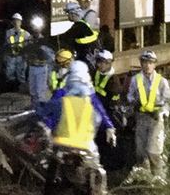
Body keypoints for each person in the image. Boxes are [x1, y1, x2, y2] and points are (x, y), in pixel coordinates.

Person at [40, 60, 115, 195]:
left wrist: (48, 130)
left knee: (52, 170)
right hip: (86, 146)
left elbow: (48, 116)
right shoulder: (89, 96)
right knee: (98, 173)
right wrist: (109, 128)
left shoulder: (61, 94)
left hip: (61, 144)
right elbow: (99, 115)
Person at [126, 49, 170, 177]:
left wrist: (162, 113)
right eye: (145, 62)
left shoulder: (162, 82)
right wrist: (135, 103)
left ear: (154, 64)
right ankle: (145, 179)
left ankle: (160, 178)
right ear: (141, 63)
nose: (147, 65)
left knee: (153, 152)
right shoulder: (136, 80)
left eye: (150, 63)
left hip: (156, 119)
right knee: (140, 152)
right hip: (141, 118)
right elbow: (130, 96)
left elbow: (168, 102)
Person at [92, 49, 126, 172]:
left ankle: (114, 167)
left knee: (110, 141)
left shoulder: (113, 80)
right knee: (98, 140)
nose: (100, 65)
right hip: (96, 112)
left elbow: (114, 101)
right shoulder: (96, 74)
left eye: (103, 63)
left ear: (108, 63)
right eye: (99, 62)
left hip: (109, 113)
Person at [24, 17, 56, 109]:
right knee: (32, 90)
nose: (35, 29)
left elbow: (51, 57)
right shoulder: (28, 40)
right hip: (32, 67)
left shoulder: (44, 41)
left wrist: (42, 50)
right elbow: (25, 52)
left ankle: (41, 110)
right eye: (34, 26)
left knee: (40, 91)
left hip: (41, 68)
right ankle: (34, 108)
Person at [4, 13, 31, 89]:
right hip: (11, 56)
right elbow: (6, 44)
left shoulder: (26, 34)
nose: (16, 23)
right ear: (12, 22)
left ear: (21, 22)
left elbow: (29, 46)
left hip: (21, 57)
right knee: (9, 73)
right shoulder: (8, 32)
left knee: (21, 74)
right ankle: (11, 88)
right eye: (14, 21)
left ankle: (21, 89)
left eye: (18, 21)